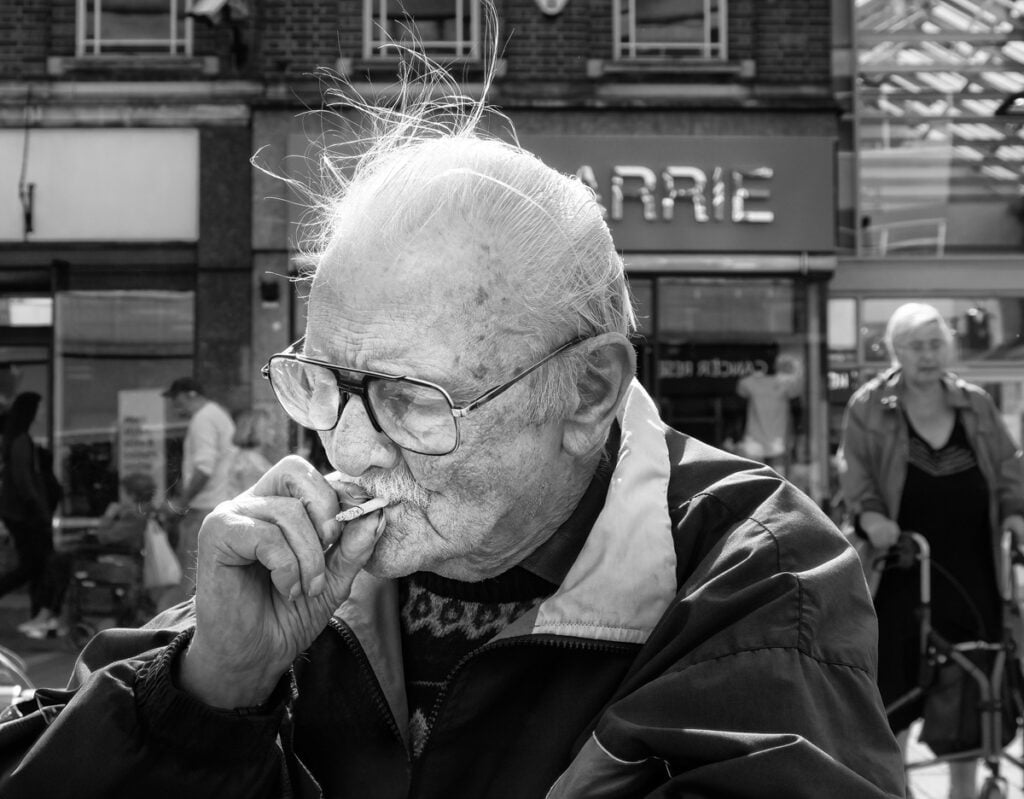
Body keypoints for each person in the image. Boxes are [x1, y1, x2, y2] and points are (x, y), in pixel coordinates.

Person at [0, 70, 904, 797]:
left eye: (413, 397)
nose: (347, 448)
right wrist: (211, 686)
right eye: (324, 383)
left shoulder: (752, 570)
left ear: (588, 394)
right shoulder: (291, 575)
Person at [838, 302, 1024, 799]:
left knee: (968, 698)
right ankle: (893, 790)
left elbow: (1008, 470)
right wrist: (871, 516)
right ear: (894, 351)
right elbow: (856, 476)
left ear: (949, 346)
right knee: (894, 695)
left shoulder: (976, 403)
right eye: (915, 346)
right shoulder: (869, 405)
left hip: (974, 569)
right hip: (900, 567)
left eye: (935, 343)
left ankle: (963, 792)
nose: (927, 355)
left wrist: (1014, 513)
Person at [159, 377, 236, 608]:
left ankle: (181, 632)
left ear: (191, 394)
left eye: (176, 398)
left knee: (192, 578)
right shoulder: (216, 415)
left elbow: (203, 468)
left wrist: (180, 502)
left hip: (205, 508)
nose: (175, 405)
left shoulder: (203, 419)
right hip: (218, 504)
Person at [0, 392, 62, 637]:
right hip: (26, 514)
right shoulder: (20, 441)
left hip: (20, 513)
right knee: (35, 565)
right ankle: (41, 616)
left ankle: (39, 616)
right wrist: (38, 510)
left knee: (36, 566)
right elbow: (24, 480)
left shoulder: (15, 439)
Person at [222, 407, 274, 496]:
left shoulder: (247, 457)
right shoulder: (251, 463)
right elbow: (252, 498)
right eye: (269, 427)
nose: (273, 432)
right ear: (255, 431)